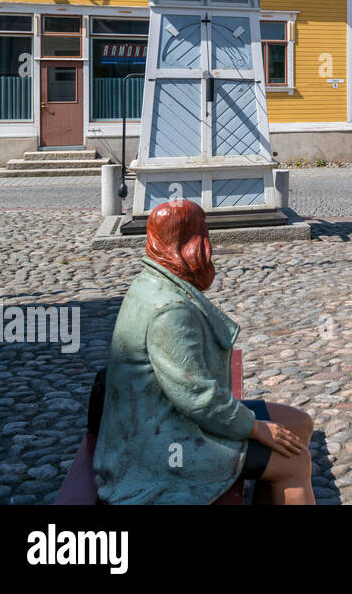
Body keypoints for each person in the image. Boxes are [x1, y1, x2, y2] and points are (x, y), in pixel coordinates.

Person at [93, 199, 315, 505]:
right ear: (192, 241)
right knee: (295, 462)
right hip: (160, 442)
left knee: (300, 423)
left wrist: (255, 428)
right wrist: (254, 427)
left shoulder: (154, 278)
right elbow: (195, 395)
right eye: (204, 233)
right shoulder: (169, 309)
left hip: (166, 418)